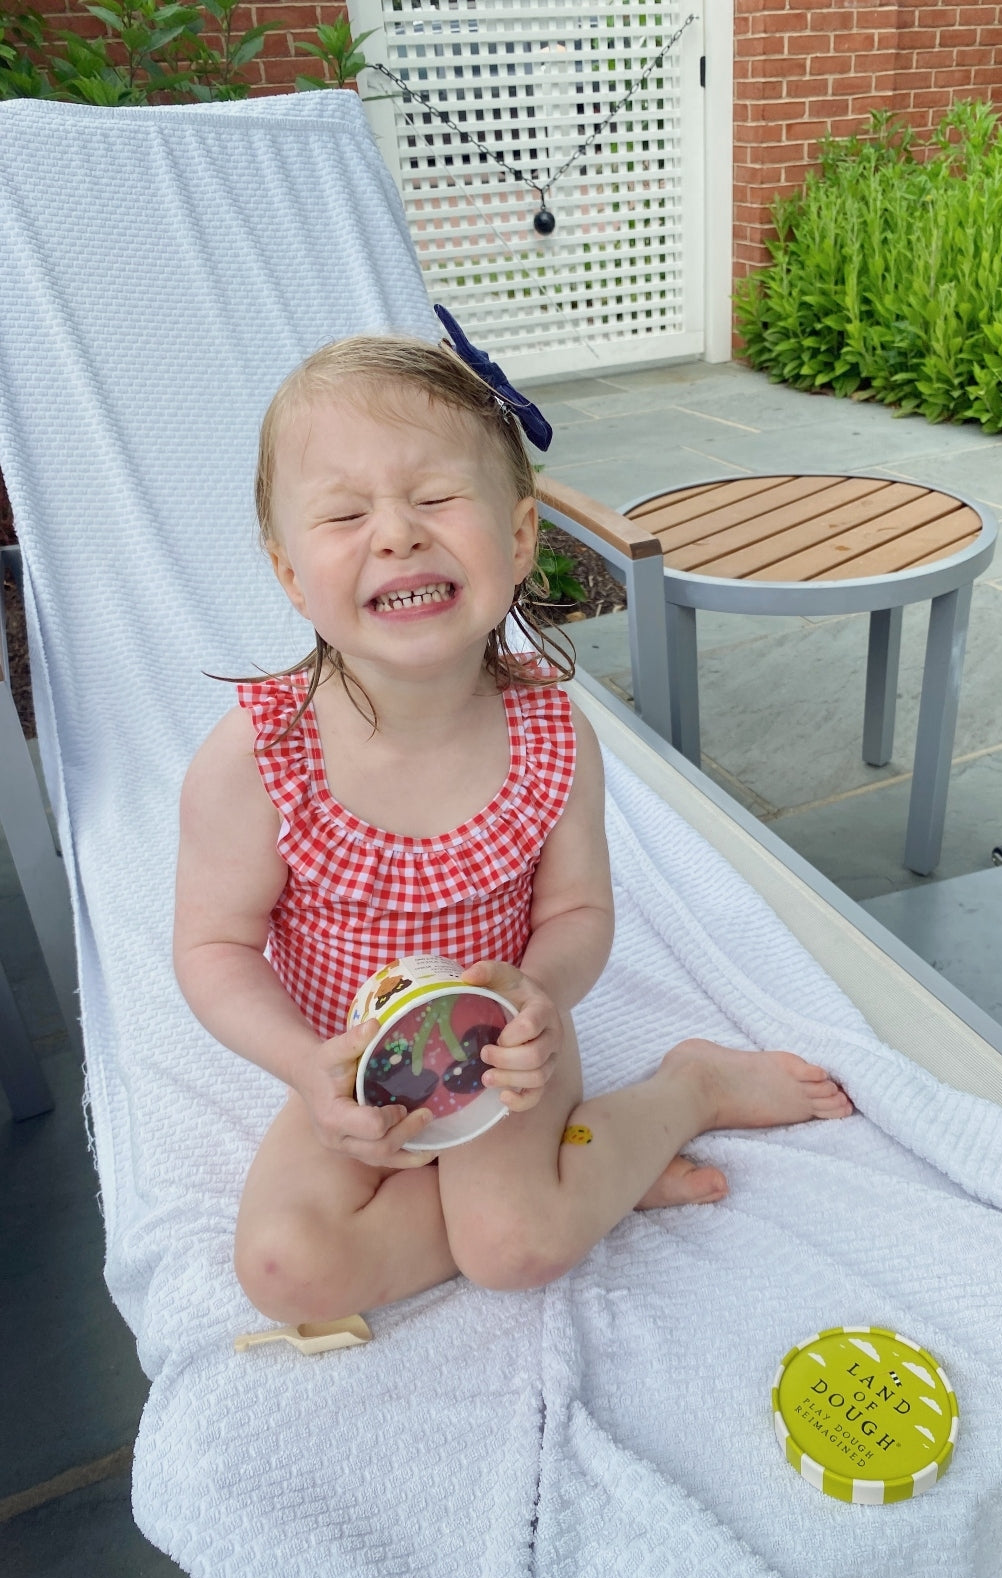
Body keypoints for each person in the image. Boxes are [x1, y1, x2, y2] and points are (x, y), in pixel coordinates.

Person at [173, 326, 853, 1326]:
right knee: (285, 1272)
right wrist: (304, 1070)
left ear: (522, 535)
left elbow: (578, 909)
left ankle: (687, 1091)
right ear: (288, 576)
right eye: (346, 511)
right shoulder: (260, 760)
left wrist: (541, 994)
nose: (397, 532)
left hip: (505, 1052)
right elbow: (213, 947)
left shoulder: (547, 732)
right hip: (353, 1064)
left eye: (437, 497)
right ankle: (596, 1180)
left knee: (516, 1249)